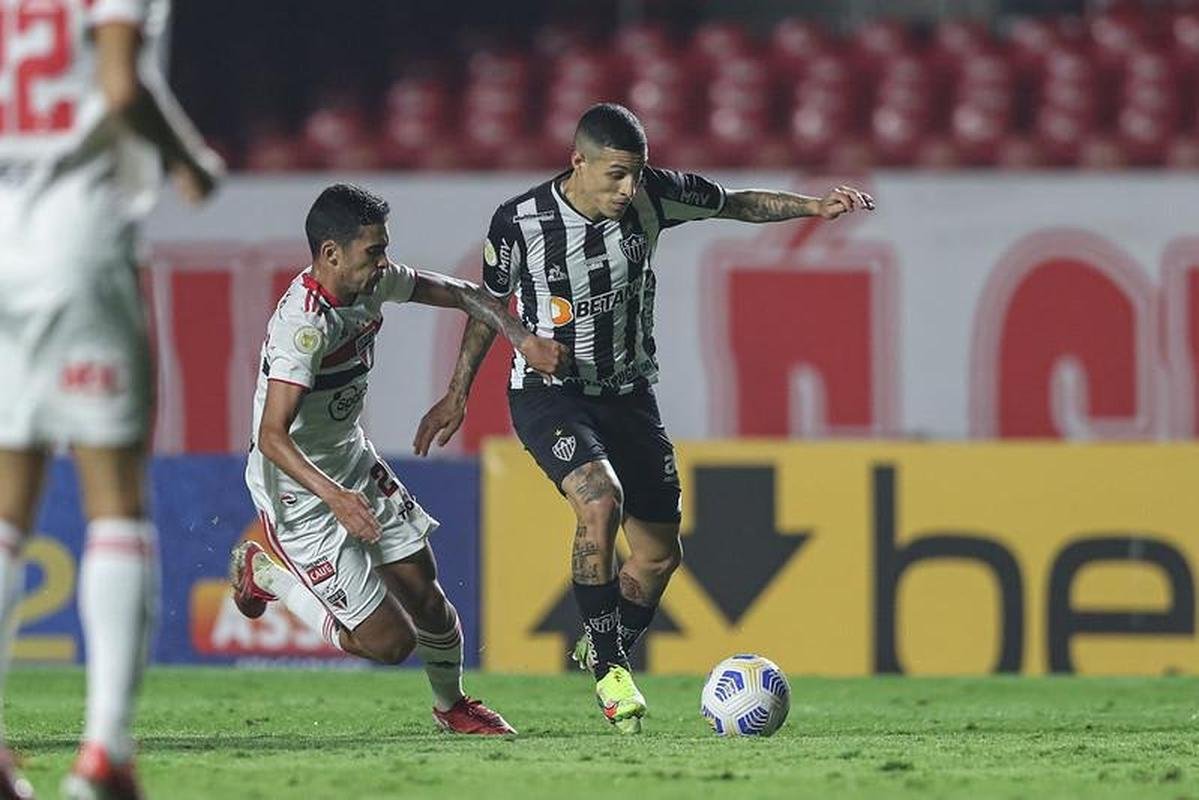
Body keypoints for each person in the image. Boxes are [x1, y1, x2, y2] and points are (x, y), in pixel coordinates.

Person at [413, 102, 874, 734]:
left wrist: (813, 207)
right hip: (550, 393)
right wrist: (464, 385)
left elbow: (735, 203)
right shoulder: (519, 221)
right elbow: (488, 303)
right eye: (616, 175)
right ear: (578, 162)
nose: (628, 189)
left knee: (657, 558)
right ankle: (609, 669)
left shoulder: (653, 195)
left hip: (628, 394)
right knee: (599, 503)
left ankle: (604, 648)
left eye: (636, 174)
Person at [230, 184, 568, 736]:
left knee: (424, 592)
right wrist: (335, 498)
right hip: (299, 494)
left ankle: (452, 705)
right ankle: (266, 575)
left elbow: (465, 293)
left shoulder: (374, 281)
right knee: (388, 644)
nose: (383, 262)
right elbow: (271, 437)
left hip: (351, 462)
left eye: (384, 249)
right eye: (372, 252)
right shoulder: (304, 328)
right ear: (331, 254)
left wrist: (520, 337)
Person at [0, 0, 224, 796]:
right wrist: (190, 158)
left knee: (5, 505)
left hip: (3, 239)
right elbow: (121, 85)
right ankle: (103, 755)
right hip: (77, 241)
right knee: (114, 492)